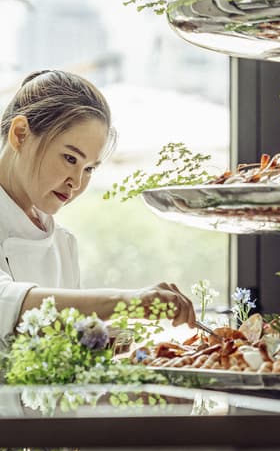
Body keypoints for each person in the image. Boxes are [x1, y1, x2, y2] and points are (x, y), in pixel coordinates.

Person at [0, 69, 196, 336]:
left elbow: (67, 339)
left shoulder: (62, 243)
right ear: (20, 134)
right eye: (70, 158)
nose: (77, 182)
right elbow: (8, 302)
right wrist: (129, 301)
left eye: (89, 169)